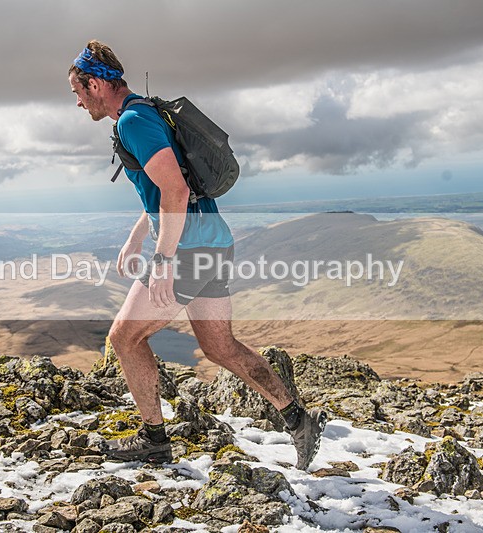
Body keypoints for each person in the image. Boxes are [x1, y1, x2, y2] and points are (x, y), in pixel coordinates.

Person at [68, 40, 326, 469]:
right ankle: (298, 420)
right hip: (214, 242)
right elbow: (168, 186)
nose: (77, 103)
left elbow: (176, 189)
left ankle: (153, 439)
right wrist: (137, 237)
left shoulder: (133, 120)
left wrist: (164, 259)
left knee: (124, 338)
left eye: (77, 92)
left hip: (189, 250)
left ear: (94, 84)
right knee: (220, 347)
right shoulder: (146, 111)